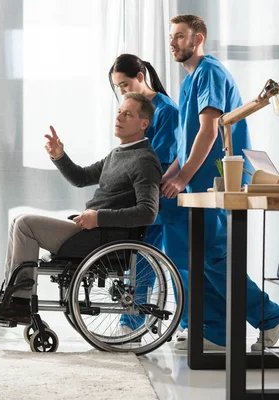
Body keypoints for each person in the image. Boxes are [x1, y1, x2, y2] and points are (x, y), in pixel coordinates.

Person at [0, 93, 162, 324]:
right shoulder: (119, 153)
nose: (119, 117)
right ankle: (10, 298)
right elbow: (81, 177)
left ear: (144, 124)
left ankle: (19, 303)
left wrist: (99, 218)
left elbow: (148, 212)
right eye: (120, 111)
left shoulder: (144, 160)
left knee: (25, 224)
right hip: (91, 231)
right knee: (17, 222)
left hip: (103, 237)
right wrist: (59, 156)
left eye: (128, 114)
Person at [162, 14, 279, 351]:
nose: (172, 43)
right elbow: (184, 139)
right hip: (197, 184)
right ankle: (216, 335)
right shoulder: (190, 81)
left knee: (214, 258)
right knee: (202, 259)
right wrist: (171, 174)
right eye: (171, 37)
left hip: (216, 181)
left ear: (198, 38)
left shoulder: (210, 73)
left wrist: (184, 176)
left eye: (179, 36)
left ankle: (271, 316)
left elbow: (209, 129)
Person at [108, 54, 189, 332]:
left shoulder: (165, 110)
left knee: (180, 264)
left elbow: (160, 158)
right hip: (148, 195)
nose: (123, 91)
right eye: (118, 87)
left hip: (166, 196)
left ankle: (188, 325)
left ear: (140, 77)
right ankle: (130, 323)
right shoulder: (136, 111)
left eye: (125, 83)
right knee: (139, 259)